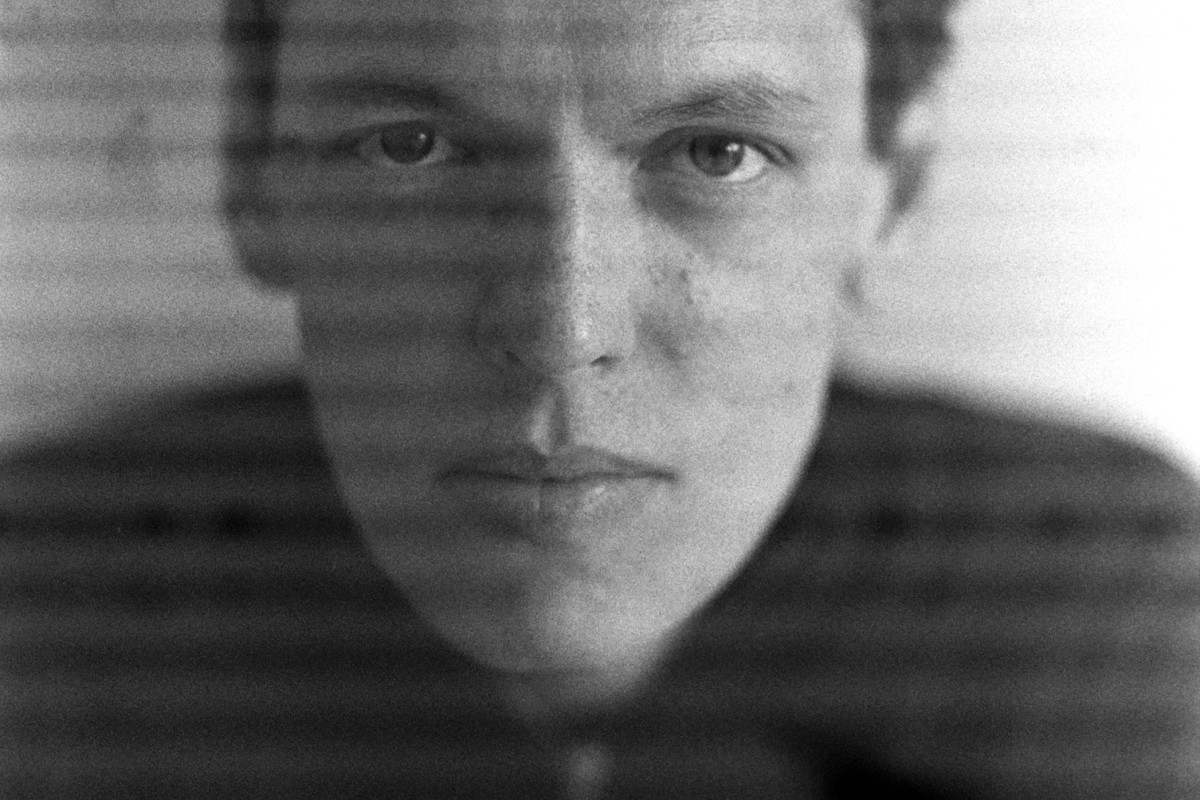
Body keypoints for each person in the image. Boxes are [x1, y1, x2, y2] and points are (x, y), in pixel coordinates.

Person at [2, 0, 1198, 798]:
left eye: (717, 152)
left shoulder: (1102, 612)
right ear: (251, 176)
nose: (562, 334)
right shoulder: (38, 616)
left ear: (898, 187)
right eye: (409, 145)